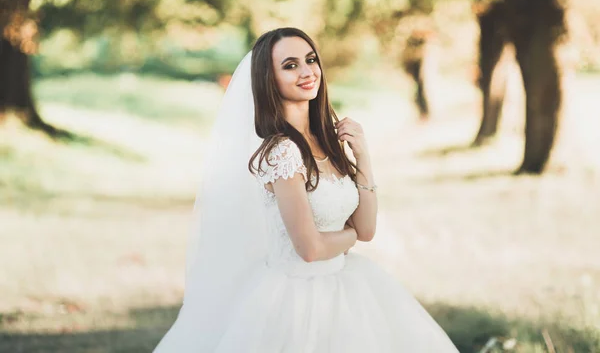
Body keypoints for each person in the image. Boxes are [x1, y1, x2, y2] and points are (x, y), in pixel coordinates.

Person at [153, 27, 459, 352]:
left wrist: (363, 156)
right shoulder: (282, 152)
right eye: (290, 65)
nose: (306, 71)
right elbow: (309, 249)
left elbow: (367, 228)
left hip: (346, 285)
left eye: (310, 60)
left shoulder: (327, 141)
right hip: (295, 297)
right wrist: (349, 237)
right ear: (269, 80)